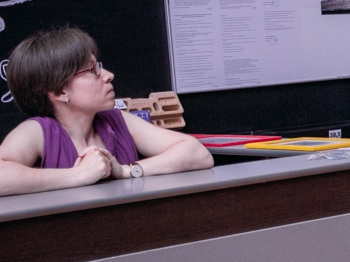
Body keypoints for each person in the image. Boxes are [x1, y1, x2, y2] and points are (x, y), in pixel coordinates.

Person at [0, 27, 212, 197]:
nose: (108, 75)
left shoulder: (117, 120)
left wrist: (126, 170)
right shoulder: (38, 131)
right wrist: (78, 175)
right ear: (59, 91)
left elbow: (198, 154)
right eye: (92, 70)